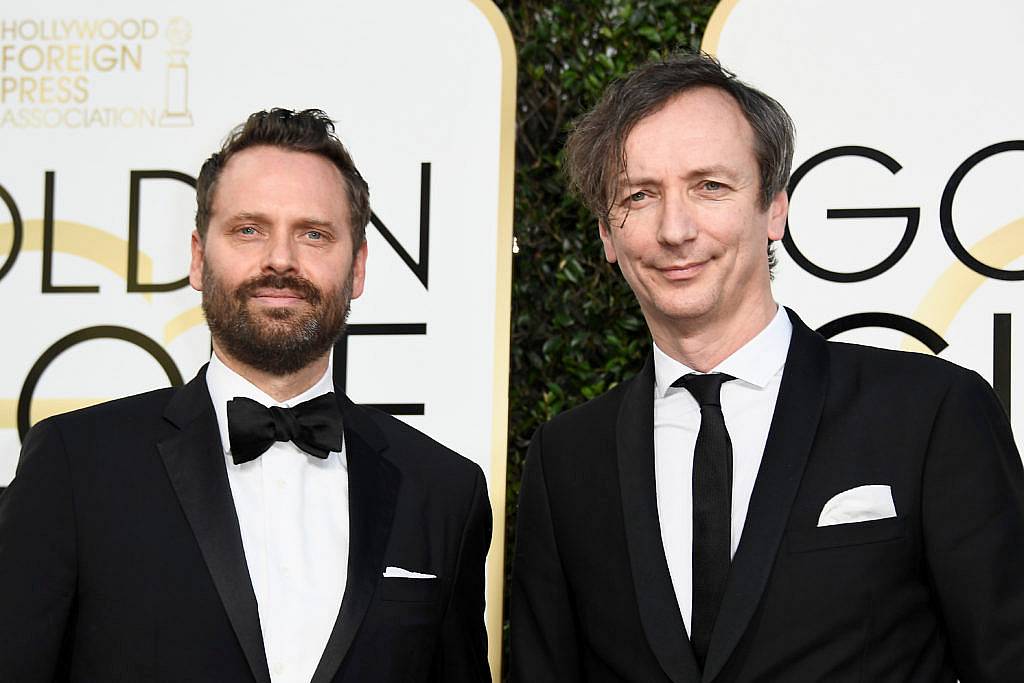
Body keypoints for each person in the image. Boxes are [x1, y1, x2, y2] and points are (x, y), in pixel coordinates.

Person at [510, 53, 1024, 682]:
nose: (675, 229)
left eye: (710, 187)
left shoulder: (930, 413)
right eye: (639, 196)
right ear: (607, 237)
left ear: (774, 208)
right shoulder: (567, 458)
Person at [0, 109, 491, 683]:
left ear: (357, 267)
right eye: (249, 229)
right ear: (197, 258)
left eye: (314, 233)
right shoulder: (75, 465)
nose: (280, 260)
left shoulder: (443, 491)